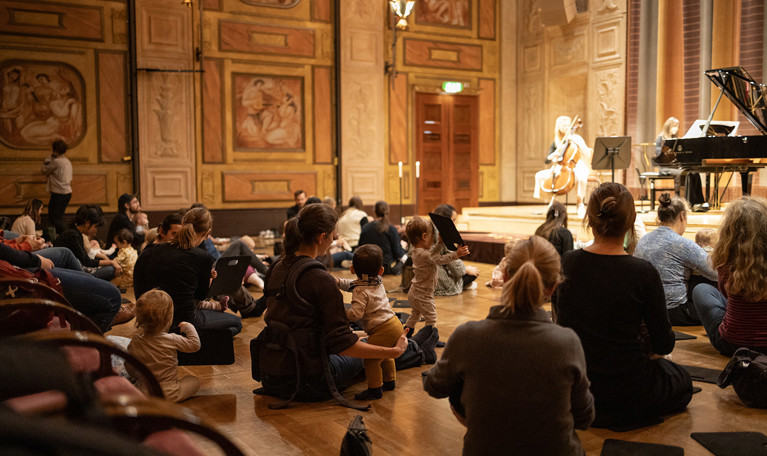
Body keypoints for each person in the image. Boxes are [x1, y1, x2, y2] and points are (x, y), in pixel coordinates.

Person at [423, 236, 594, 455]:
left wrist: (468, 405)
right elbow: (584, 417)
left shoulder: (467, 336)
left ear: (504, 276)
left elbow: (434, 386)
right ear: (552, 288)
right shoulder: (567, 342)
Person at [255, 203, 434, 403]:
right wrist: (393, 350)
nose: (334, 240)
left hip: (273, 373)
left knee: (369, 341)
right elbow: (344, 345)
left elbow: (282, 319)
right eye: (333, 235)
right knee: (373, 350)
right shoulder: (318, 277)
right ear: (322, 237)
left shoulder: (276, 267)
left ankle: (411, 346)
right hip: (310, 380)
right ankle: (416, 350)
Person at [554, 182, 692, 428]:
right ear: (632, 221)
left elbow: (561, 324)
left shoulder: (568, 261)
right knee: (682, 379)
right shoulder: (642, 272)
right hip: (628, 391)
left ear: (590, 219)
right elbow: (664, 343)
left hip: (577, 386)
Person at [134, 207, 247, 336]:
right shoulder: (201, 257)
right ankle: (197, 339)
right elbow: (201, 296)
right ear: (207, 233)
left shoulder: (152, 249)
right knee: (236, 323)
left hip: (151, 319)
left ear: (183, 224)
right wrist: (211, 280)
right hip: (184, 321)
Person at [693, 196, 767, 356]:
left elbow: (725, 294)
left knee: (701, 290)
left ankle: (739, 321)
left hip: (732, 344)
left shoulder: (726, 261)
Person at [0, 242, 121, 332]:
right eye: (95, 227)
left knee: (66, 254)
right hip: (9, 271)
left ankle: (89, 308)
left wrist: (22, 242)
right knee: (113, 297)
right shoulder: (74, 236)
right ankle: (76, 345)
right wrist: (34, 257)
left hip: (9, 264)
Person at [634, 193, 717, 325]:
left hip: (647, 309)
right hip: (675, 312)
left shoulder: (644, 240)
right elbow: (715, 272)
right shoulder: (681, 243)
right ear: (682, 216)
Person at [336, 244, 403, 401]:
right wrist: (339, 282)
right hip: (394, 323)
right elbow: (354, 284)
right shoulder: (377, 280)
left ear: (352, 269)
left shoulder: (360, 291)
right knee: (385, 355)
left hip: (382, 329)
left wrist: (340, 314)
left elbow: (355, 314)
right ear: (381, 270)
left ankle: (375, 389)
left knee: (371, 358)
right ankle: (390, 381)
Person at [404, 216, 469, 346]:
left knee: (414, 316)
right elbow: (438, 259)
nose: (434, 239)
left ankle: (405, 335)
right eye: (432, 236)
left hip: (415, 292)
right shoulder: (424, 254)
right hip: (423, 294)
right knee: (431, 318)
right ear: (424, 236)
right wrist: (457, 254)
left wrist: (440, 243)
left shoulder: (418, 252)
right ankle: (430, 341)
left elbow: (432, 254)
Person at [128, 289, 201, 402]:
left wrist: (137, 376)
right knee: (193, 380)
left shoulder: (136, 342)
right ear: (168, 319)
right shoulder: (171, 339)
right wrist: (188, 326)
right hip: (170, 393)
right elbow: (195, 344)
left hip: (144, 393)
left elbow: (130, 367)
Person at [533, 116, 593, 219]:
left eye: (568, 125)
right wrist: (553, 155)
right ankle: (551, 202)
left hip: (577, 165)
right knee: (539, 175)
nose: (566, 127)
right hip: (562, 166)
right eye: (563, 126)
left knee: (581, 177)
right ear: (559, 128)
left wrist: (580, 145)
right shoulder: (557, 142)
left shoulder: (576, 138)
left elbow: (588, 153)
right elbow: (547, 160)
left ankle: (580, 203)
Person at [52, 205, 122, 281]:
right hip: (71, 276)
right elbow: (87, 262)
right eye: (95, 227)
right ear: (87, 223)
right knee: (111, 269)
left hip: (72, 272)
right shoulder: (73, 235)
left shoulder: (74, 232)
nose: (96, 231)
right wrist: (111, 262)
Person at [655, 117, 705, 207]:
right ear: (668, 127)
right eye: (674, 126)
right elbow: (659, 155)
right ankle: (681, 200)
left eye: (677, 126)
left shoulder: (676, 139)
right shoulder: (661, 138)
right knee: (683, 173)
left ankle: (696, 201)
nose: (676, 129)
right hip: (665, 167)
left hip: (676, 166)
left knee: (694, 173)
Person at [432, 204, 480, 294]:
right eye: (453, 220)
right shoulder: (442, 233)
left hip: (419, 276)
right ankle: (462, 285)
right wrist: (466, 269)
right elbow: (451, 261)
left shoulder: (429, 227)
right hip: (437, 279)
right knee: (474, 273)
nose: (455, 224)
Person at [358, 201, 406, 275]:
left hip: (367, 268)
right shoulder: (391, 229)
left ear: (374, 212)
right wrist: (403, 249)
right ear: (388, 212)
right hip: (385, 268)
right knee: (406, 258)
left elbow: (360, 248)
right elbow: (398, 254)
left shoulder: (365, 228)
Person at [41, 139, 72, 236]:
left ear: (54, 150)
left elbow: (43, 170)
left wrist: (49, 159)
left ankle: (67, 235)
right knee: (59, 217)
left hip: (59, 193)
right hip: (67, 193)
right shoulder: (67, 161)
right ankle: (63, 236)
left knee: (53, 218)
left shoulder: (57, 162)